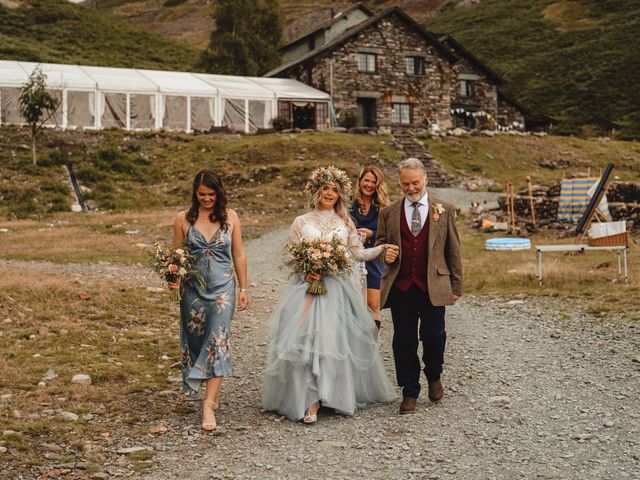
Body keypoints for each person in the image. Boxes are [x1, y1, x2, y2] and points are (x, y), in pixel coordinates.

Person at [262, 166, 397, 424]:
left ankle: (331, 394)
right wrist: (307, 270)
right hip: (306, 287)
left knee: (332, 340)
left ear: (340, 195)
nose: (330, 193)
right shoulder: (301, 222)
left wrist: (380, 249)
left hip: (336, 289)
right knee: (306, 339)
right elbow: (291, 254)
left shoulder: (345, 222)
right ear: (317, 190)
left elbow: (357, 253)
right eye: (326, 188)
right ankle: (309, 400)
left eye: (335, 190)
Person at [375, 158, 462, 414]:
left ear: (425, 180)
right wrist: (384, 253)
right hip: (401, 287)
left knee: (434, 336)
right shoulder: (388, 213)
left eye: (415, 182)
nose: (410, 188)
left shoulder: (444, 209)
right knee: (403, 340)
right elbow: (381, 244)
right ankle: (409, 390)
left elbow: (453, 250)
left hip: (433, 285)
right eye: (405, 184)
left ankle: (434, 375)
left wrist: (456, 285)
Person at [171, 169, 249, 431]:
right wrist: (172, 276)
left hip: (222, 291)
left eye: (211, 194)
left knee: (217, 340)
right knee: (197, 342)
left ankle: (209, 404)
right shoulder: (183, 219)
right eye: (202, 194)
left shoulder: (231, 218)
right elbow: (176, 256)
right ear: (195, 193)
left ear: (219, 193)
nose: (206, 199)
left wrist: (244, 288)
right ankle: (204, 390)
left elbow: (238, 255)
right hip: (192, 292)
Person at [349, 166, 390, 331]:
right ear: (359, 182)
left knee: (373, 304)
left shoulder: (384, 208)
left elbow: (390, 235)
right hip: (351, 259)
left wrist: (371, 233)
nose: (369, 185)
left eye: (374, 182)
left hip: (373, 260)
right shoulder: (348, 205)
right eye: (366, 180)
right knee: (352, 306)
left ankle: (371, 347)